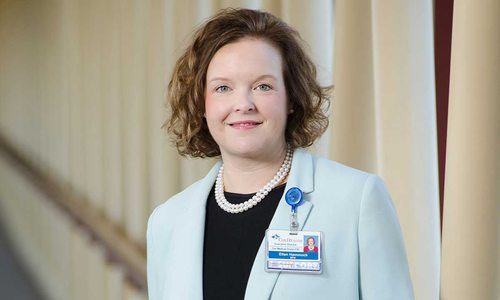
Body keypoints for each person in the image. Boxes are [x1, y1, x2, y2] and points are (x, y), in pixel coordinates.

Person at [147, 8, 414, 300]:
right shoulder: (167, 221)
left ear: (291, 98)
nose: (243, 104)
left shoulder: (357, 200)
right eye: (223, 88)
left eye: (263, 86)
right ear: (202, 103)